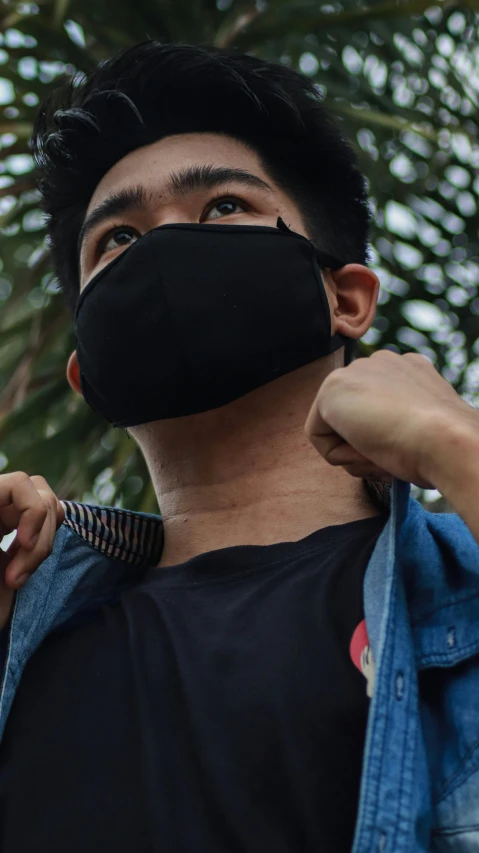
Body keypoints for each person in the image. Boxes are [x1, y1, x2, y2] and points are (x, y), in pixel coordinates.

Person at [0, 41, 479, 853]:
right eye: (114, 240)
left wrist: (454, 443)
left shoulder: (456, 586)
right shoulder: (22, 633)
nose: (156, 252)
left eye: (223, 206)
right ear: (89, 375)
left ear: (347, 298)